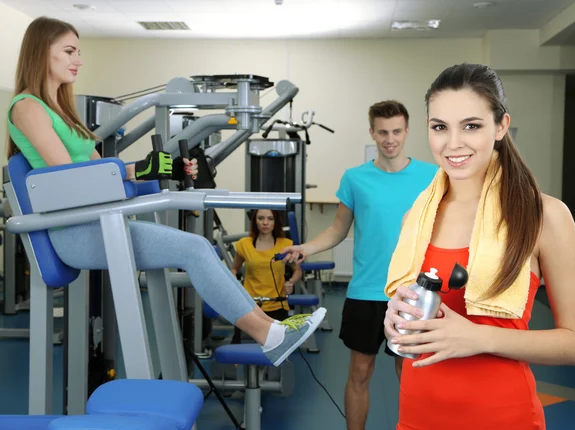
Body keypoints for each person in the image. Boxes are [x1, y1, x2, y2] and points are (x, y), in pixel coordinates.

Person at [7, 16, 326, 368]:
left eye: (78, 52)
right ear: (41, 53)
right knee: (193, 248)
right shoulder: (26, 107)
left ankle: (272, 330)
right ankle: (269, 335)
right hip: (75, 231)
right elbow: (71, 178)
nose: (78, 60)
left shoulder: (62, 113)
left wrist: (160, 167)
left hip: (97, 222)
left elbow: (103, 168)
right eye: (69, 51)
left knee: (200, 246)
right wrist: (138, 171)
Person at [383, 63, 575, 430]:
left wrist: (477, 337)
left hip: (503, 417)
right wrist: (393, 319)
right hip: (417, 416)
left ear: (501, 126)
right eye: (440, 127)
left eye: (471, 125)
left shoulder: (544, 216)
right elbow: (414, 316)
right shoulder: (416, 219)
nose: (453, 144)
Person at [282, 100, 438, 429]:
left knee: (409, 375)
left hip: (411, 293)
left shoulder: (432, 176)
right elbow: (339, 229)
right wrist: (306, 248)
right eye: (382, 132)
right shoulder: (355, 178)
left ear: (407, 131)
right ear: (372, 133)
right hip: (366, 292)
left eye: (396, 131)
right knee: (359, 373)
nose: (390, 139)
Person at [229, 209, 302, 343]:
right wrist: (235, 284)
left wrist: (291, 282)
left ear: (275, 222)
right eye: (261, 218)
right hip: (249, 306)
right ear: (255, 221)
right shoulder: (244, 244)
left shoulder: (285, 245)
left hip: (277, 305)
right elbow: (234, 268)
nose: (265, 222)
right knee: (243, 348)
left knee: (275, 350)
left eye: (270, 219)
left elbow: (298, 271)